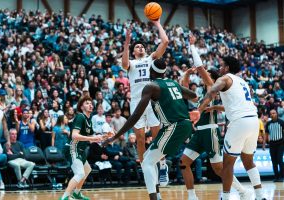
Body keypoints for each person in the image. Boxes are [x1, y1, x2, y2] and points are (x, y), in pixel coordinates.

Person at [104, 59, 197, 200]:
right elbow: (194, 96)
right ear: (164, 72)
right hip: (183, 125)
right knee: (148, 159)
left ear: (151, 72)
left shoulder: (151, 86)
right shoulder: (172, 83)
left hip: (174, 126)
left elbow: (135, 116)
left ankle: (155, 193)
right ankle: (157, 192)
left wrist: (115, 136)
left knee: (146, 162)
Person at [180, 35, 250, 200]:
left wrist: (192, 46)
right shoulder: (203, 94)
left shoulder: (213, 85)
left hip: (211, 132)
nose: (203, 77)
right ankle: (192, 196)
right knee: (184, 163)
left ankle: (242, 191)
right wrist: (186, 76)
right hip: (198, 133)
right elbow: (186, 93)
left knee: (219, 169)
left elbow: (201, 68)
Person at [197, 56, 265, 200]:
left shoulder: (225, 78)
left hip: (239, 123)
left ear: (227, 68)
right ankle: (260, 196)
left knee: (227, 165)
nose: (220, 68)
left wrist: (199, 109)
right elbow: (234, 106)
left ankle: (225, 198)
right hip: (253, 120)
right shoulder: (242, 82)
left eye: (221, 65)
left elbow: (211, 92)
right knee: (249, 162)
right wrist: (215, 107)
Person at [121, 17, 169, 186]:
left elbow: (165, 41)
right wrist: (127, 43)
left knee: (157, 135)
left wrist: (157, 23)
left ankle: (162, 164)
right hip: (136, 102)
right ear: (134, 51)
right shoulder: (131, 63)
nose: (140, 47)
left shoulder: (151, 59)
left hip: (152, 101)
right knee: (140, 139)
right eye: (137, 47)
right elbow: (124, 62)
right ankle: (145, 167)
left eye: (141, 46)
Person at [60, 96, 103, 200]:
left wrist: (106, 136)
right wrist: (91, 138)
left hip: (81, 149)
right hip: (72, 148)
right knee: (79, 173)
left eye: (91, 103)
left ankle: (76, 193)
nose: (90, 105)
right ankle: (65, 197)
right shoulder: (80, 116)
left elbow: (92, 138)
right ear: (81, 106)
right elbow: (74, 135)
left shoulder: (89, 119)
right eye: (87, 103)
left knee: (87, 169)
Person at [265, 109, 284, 182]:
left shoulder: (281, 122)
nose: (272, 114)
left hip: (280, 143)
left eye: (274, 113)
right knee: (274, 161)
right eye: (271, 113)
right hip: (272, 144)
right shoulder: (268, 123)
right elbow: (266, 134)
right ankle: (276, 177)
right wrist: (264, 143)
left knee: (279, 159)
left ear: (276, 114)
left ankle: (282, 176)